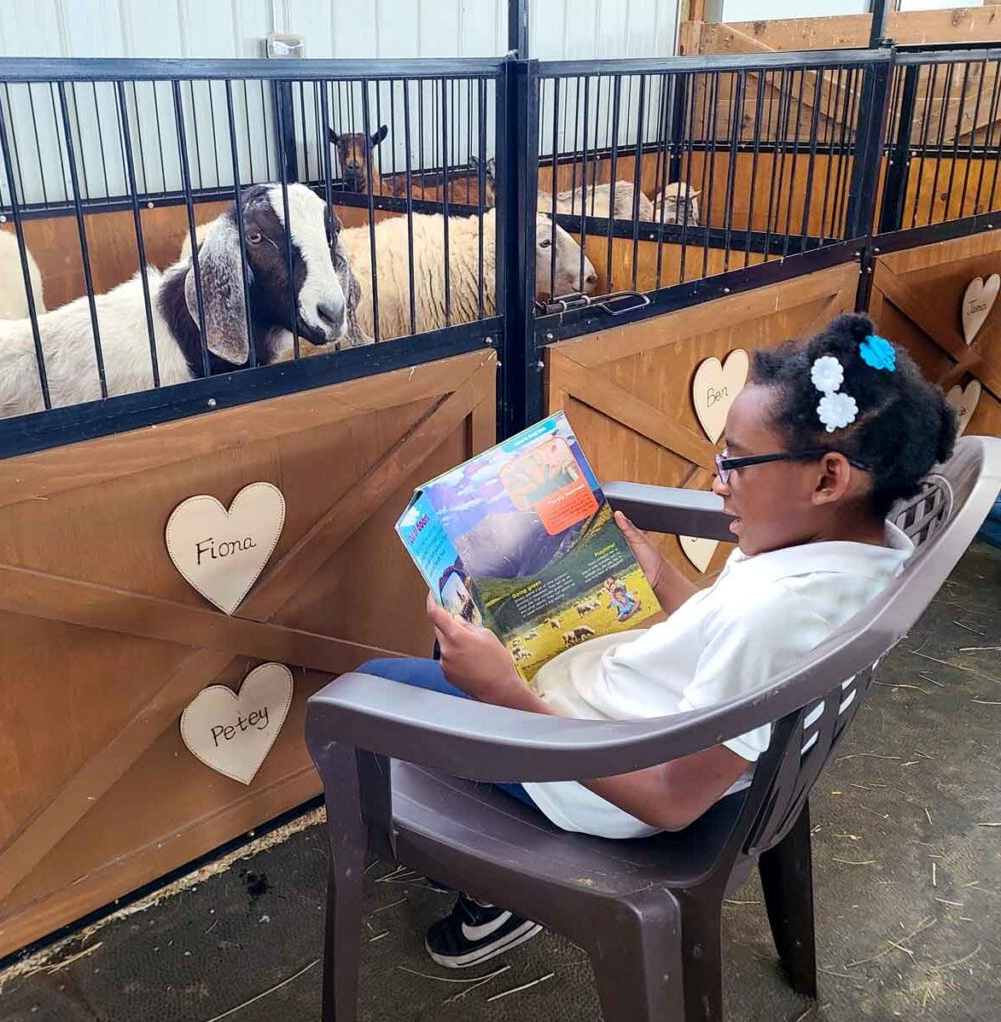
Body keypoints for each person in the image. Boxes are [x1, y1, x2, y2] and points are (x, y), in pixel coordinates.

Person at [357, 313, 957, 969]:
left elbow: (671, 802)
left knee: (373, 692)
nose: (716, 479)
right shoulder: (856, 559)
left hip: (589, 775)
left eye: (735, 461)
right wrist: (662, 576)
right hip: (616, 713)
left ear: (827, 479)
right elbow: (735, 654)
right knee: (446, 663)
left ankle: (485, 894)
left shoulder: (774, 609)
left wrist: (504, 694)